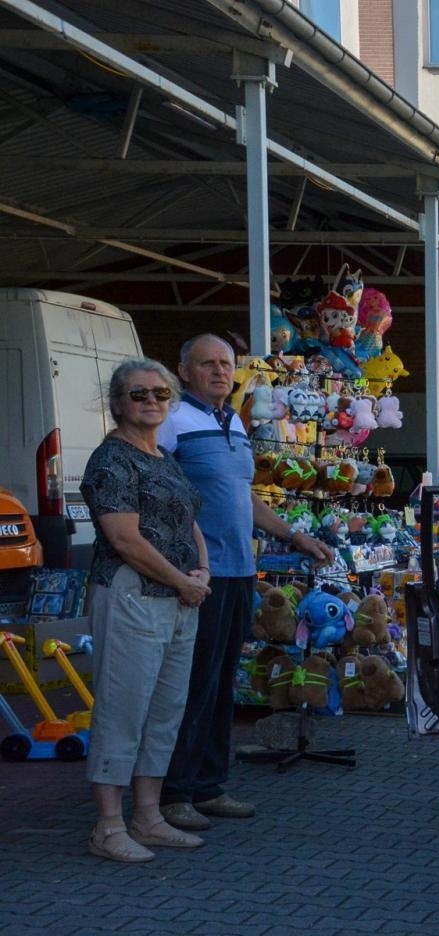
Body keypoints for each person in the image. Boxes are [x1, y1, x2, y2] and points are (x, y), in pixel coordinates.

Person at [158, 335, 334, 833]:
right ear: (184, 370)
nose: (219, 372)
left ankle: (209, 785)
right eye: (207, 364)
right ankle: (173, 793)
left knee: (219, 686)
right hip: (199, 575)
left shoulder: (233, 421)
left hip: (239, 572)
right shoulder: (172, 424)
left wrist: (294, 534)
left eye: (226, 364)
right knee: (191, 685)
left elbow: (244, 499)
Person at [78, 359, 211, 862]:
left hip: (179, 599)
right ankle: (108, 827)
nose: (151, 401)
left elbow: (189, 520)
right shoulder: (111, 460)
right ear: (117, 403)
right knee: (123, 709)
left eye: (160, 393)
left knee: (163, 711)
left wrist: (203, 572)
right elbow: (123, 538)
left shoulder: (162, 457)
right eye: (138, 394)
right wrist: (184, 580)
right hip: (134, 595)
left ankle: (149, 817)